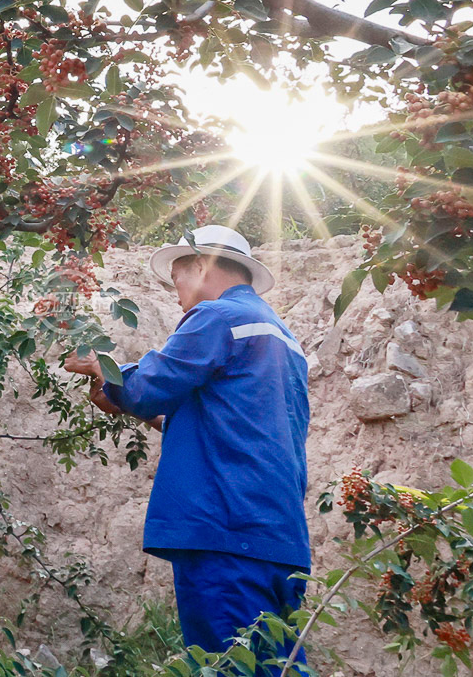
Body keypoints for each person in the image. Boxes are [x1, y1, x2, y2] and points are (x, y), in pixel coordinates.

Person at [63, 225, 310, 675]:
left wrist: (105, 369)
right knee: (279, 664)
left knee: (228, 663)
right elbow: (226, 425)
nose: (175, 292)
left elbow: (147, 387)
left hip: (224, 527)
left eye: (177, 277)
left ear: (202, 266)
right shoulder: (282, 338)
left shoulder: (219, 317)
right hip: (277, 535)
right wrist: (127, 403)